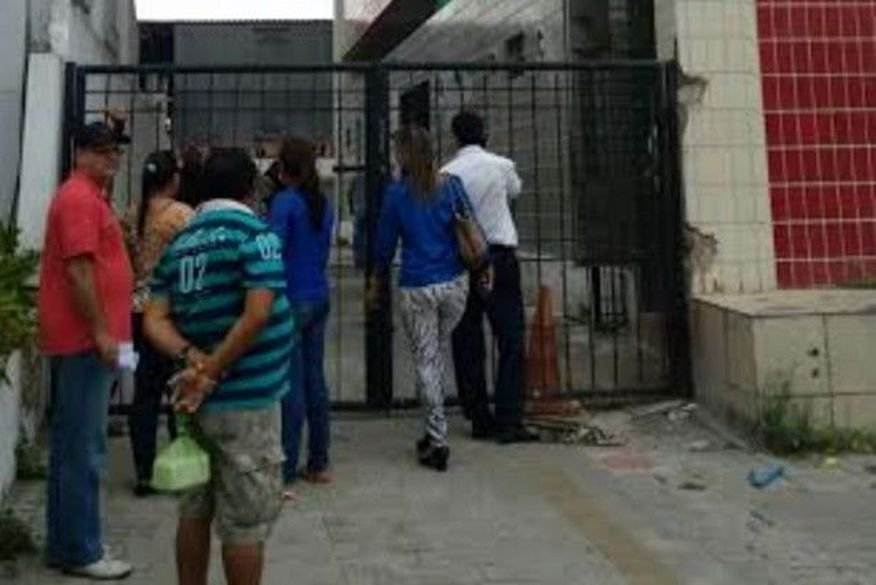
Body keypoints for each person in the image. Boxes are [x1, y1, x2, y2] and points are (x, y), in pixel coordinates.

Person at [144, 148, 293, 585]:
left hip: (192, 401)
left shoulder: (181, 243)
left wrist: (192, 359)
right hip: (246, 403)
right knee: (244, 524)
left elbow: (154, 319)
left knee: (194, 509)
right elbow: (257, 312)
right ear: (249, 189)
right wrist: (210, 372)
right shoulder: (255, 234)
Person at [38, 121, 134, 579]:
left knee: (73, 445)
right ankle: (81, 549)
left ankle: (68, 542)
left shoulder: (90, 196)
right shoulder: (78, 198)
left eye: (115, 150)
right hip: (85, 342)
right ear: (82, 153)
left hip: (90, 341)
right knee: (84, 448)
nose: (112, 158)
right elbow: (79, 272)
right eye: (103, 150)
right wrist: (100, 331)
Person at [372, 126, 471, 472]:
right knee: (436, 354)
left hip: (418, 285)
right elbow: (471, 226)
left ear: (404, 155)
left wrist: (376, 281)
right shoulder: (452, 186)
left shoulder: (397, 195)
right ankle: (431, 431)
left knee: (427, 360)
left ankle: (438, 439)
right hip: (455, 282)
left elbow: (384, 247)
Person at [442, 111, 537, 444]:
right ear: (485, 134)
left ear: (454, 138)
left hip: (462, 262)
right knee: (509, 337)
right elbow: (514, 192)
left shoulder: (446, 174)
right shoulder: (501, 166)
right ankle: (509, 419)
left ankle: (478, 416)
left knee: (467, 339)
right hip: (498, 258)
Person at [124, 151, 194, 496]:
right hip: (171, 312)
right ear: (172, 179)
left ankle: (144, 471)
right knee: (179, 390)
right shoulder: (182, 215)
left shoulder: (131, 213)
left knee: (144, 393)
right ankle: (180, 469)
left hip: (137, 308)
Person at [268, 137, 334, 497]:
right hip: (318, 294)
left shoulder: (284, 203)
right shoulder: (321, 204)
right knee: (315, 380)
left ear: (284, 168)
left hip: (290, 298)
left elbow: (274, 249)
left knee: (290, 385)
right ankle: (319, 460)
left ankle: (287, 466)